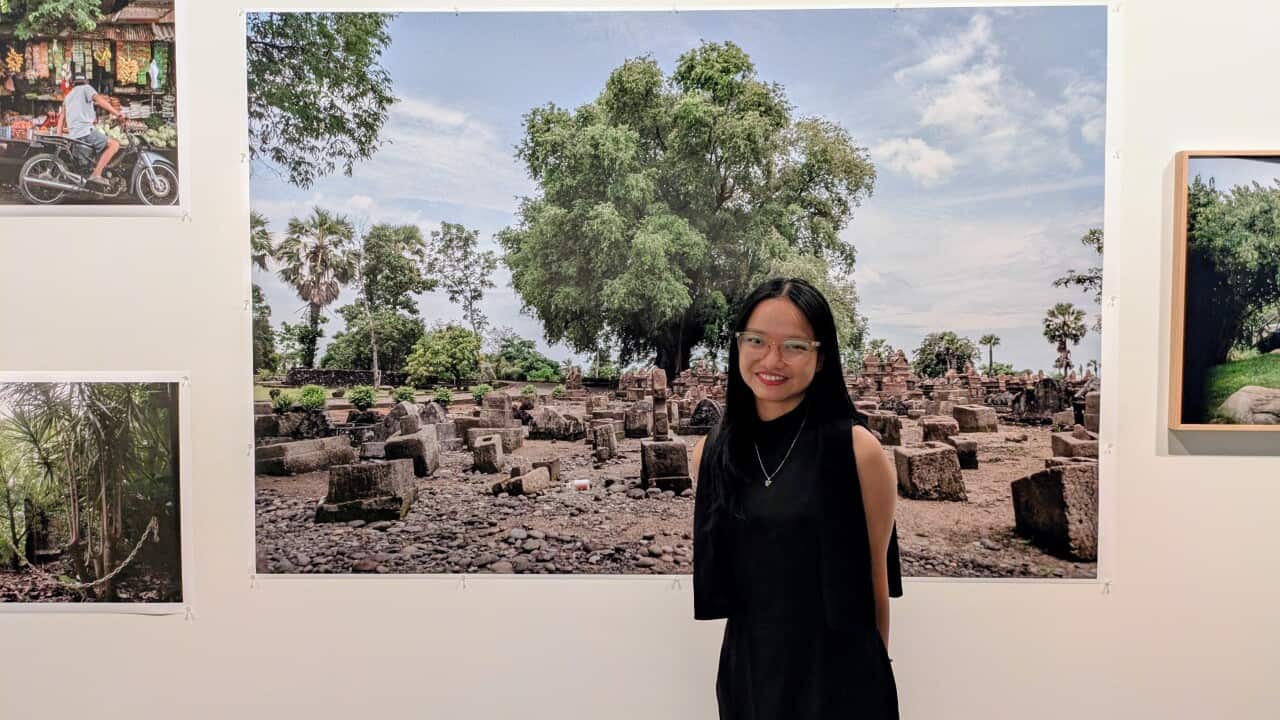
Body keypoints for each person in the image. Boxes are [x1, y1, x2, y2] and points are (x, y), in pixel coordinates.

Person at [692, 277, 904, 719]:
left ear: (821, 357)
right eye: (756, 341)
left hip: (840, 681)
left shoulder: (857, 450)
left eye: (794, 346)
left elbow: (875, 582)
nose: (772, 360)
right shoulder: (711, 456)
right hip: (749, 678)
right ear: (737, 346)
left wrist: (874, 679)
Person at [57, 71, 125, 188]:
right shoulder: (87, 88)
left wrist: (59, 136)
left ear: (73, 83)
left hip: (74, 135)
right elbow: (101, 101)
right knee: (114, 145)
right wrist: (117, 114)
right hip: (85, 131)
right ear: (86, 81)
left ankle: (95, 171)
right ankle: (96, 174)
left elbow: (61, 118)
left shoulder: (68, 96)